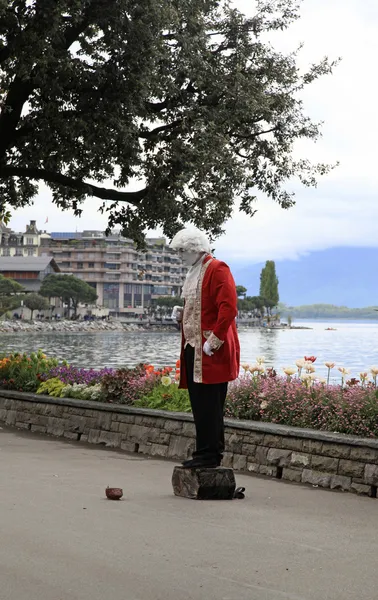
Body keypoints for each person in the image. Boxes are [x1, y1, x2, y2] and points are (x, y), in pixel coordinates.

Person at [170, 228, 240, 468]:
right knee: (199, 403)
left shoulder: (218, 268)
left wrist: (215, 340)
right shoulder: (193, 272)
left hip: (211, 350)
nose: (179, 255)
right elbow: (199, 306)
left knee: (211, 403)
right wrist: (182, 313)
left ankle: (211, 455)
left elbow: (228, 307)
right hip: (193, 347)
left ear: (195, 249)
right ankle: (203, 453)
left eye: (182, 251)